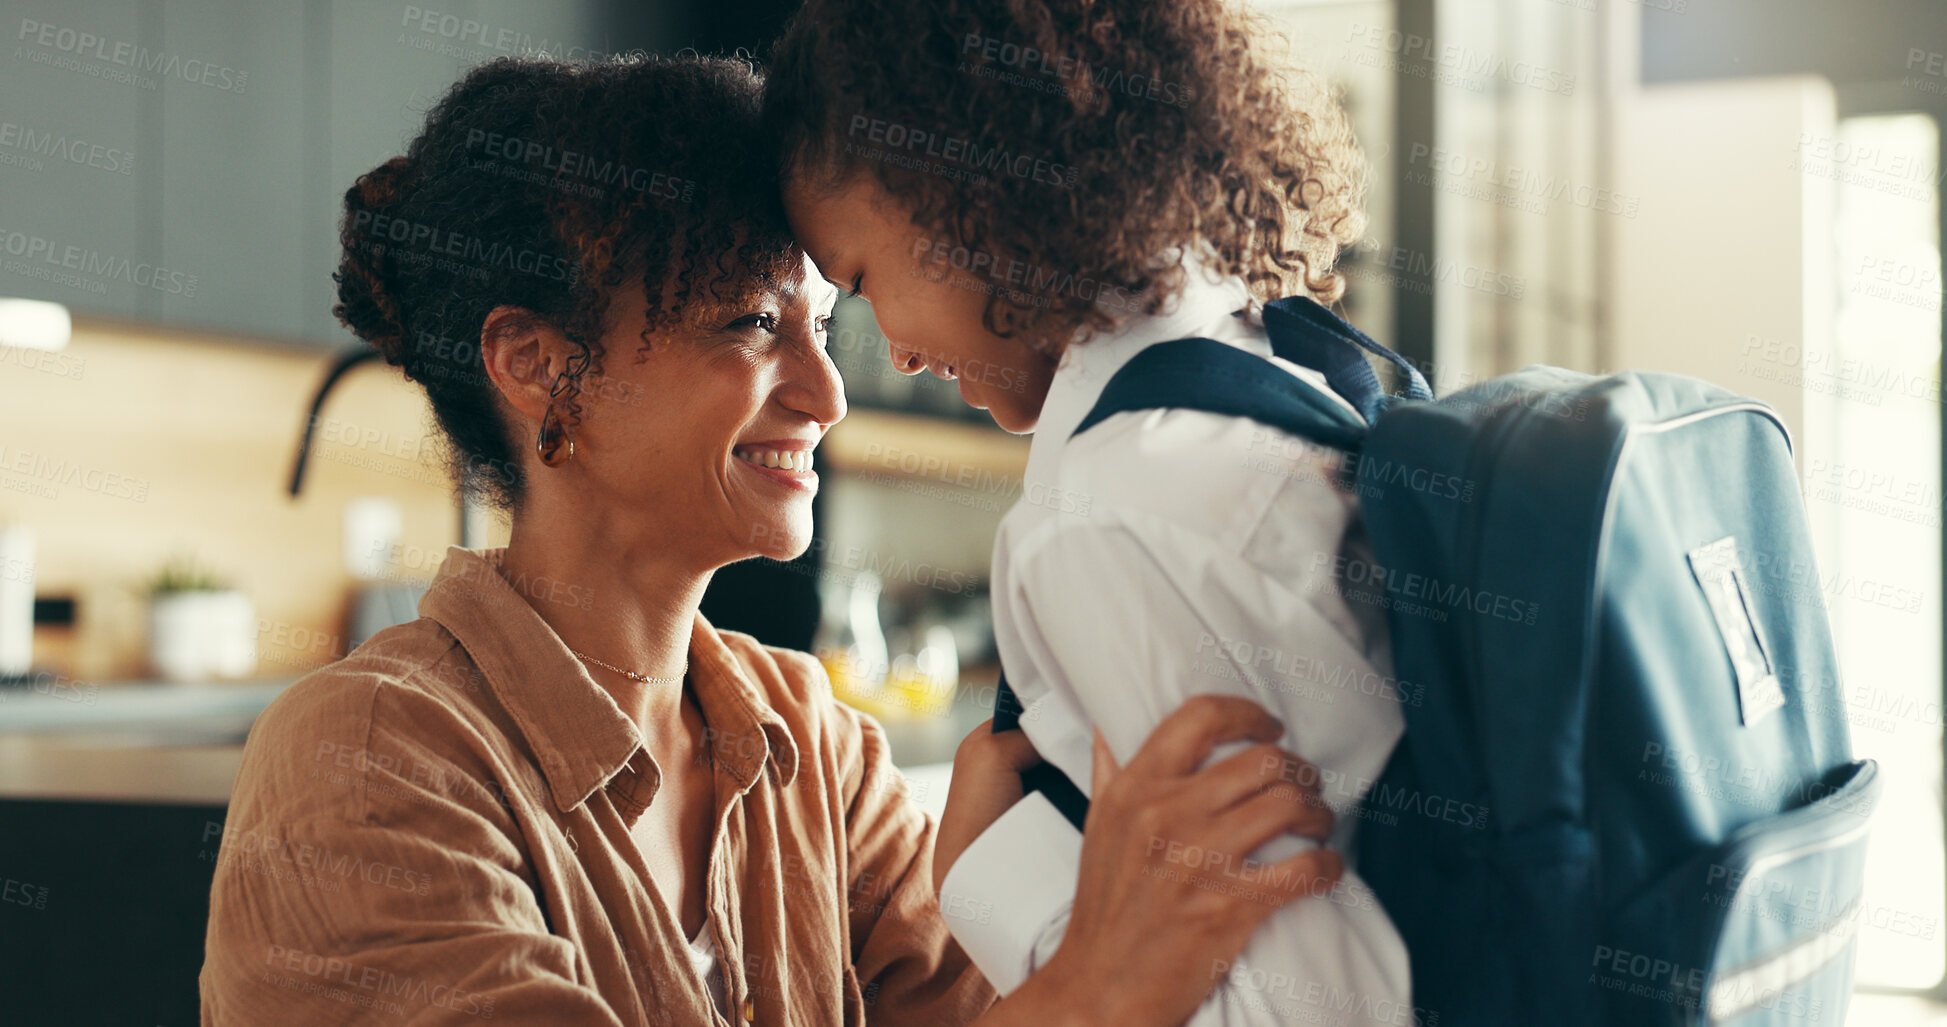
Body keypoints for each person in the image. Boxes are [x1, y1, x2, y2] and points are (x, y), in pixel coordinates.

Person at [199, 53, 1345, 1026]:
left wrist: (1057, 904)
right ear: (537, 365)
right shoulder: (364, 761)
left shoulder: (814, 747)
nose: (824, 394)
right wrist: (1099, 980)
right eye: (752, 322)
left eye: (827, 325)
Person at [766, 2, 1419, 1024]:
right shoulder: (1273, 362)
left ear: (963, 196)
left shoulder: (1107, 512)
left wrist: (989, 882)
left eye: (860, 280)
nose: (889, 348)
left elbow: (1309, 1006)